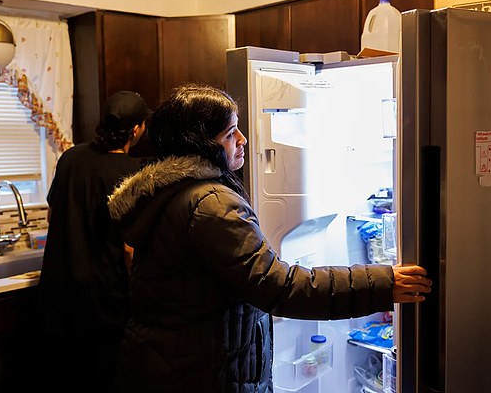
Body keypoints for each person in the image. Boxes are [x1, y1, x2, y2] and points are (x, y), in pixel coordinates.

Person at [107, 83, 432, 392]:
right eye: (230, 132)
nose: (243, 139)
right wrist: (382, 283)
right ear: (202, 143)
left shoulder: (166, 190)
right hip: (201, 374)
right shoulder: (211, 203)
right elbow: (280, 286)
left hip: (170, 364)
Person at [39, 90, 149, 392]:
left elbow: (53, 217)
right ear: (138, 129)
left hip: (58, 296)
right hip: (103, 300)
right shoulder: (132, 173)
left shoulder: (71, 157)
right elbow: (130, 249)